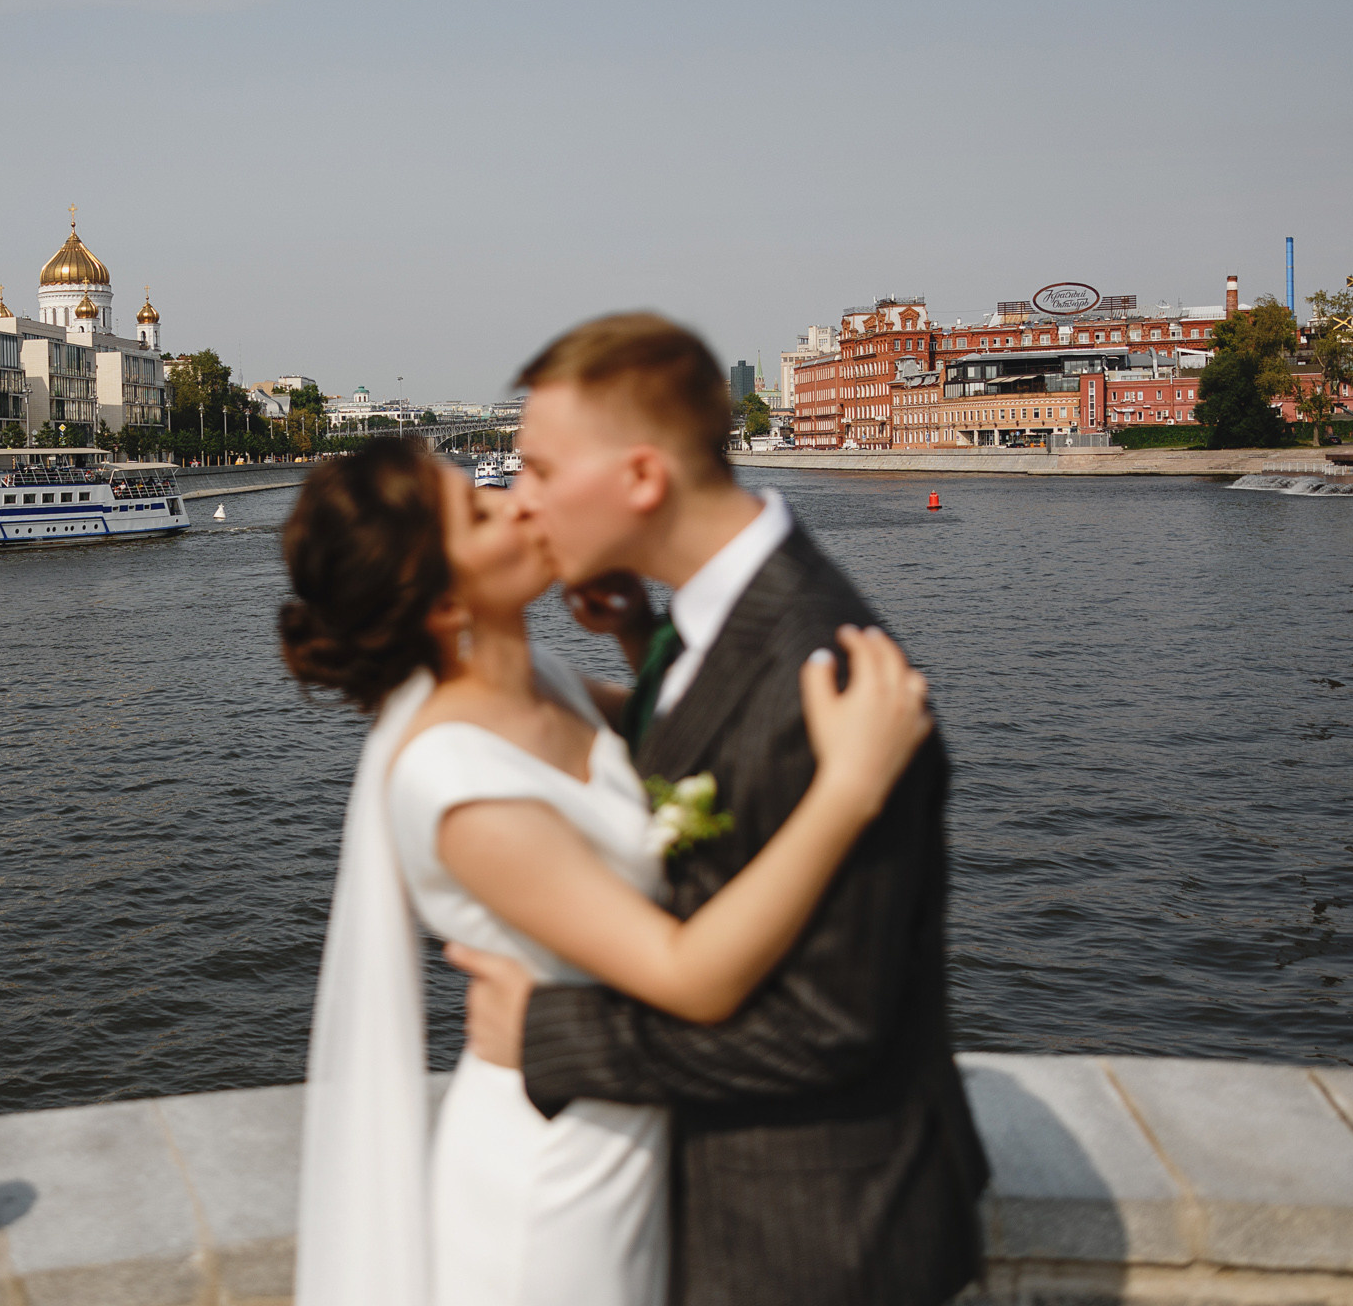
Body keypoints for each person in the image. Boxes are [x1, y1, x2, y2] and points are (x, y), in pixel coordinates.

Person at [282, 435, 934, 1306]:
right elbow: (686, 974)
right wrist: (851, 787)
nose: (515, 500)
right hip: (552, 1185)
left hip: (621, 1121)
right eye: (479, 512)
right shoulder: (455, 780)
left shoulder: (539, 675)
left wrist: (634, 630)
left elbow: (676, 742)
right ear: (441, 603)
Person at [457, 312, 986, 1306]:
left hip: (822, 1242)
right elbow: (710, 757)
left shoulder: (819, 671)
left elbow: (829, 1023)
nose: (519, 501)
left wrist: (549, 1033)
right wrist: (637, 645)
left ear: (642, 479)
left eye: (536, 468)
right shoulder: (714, 616)